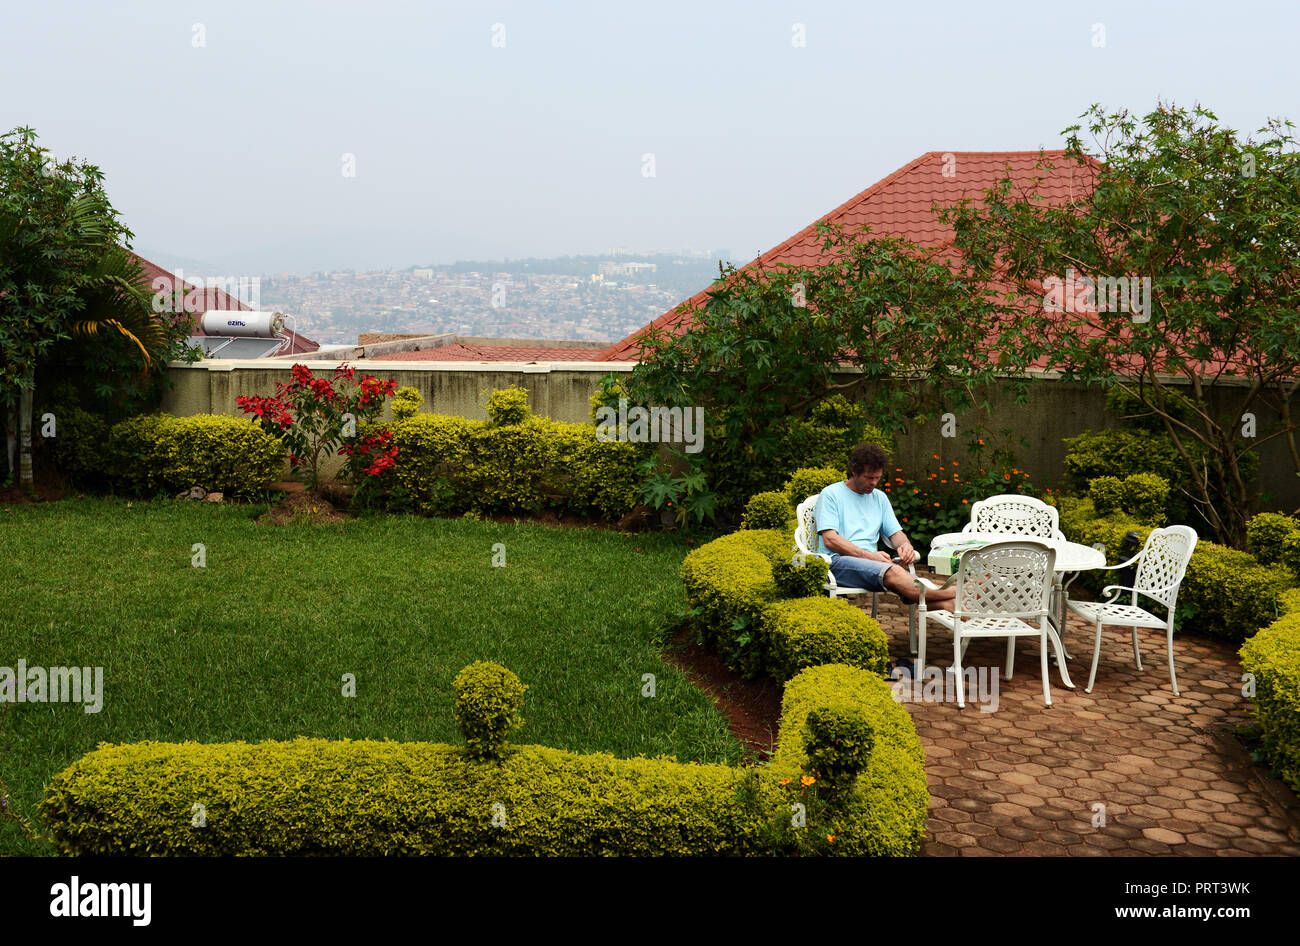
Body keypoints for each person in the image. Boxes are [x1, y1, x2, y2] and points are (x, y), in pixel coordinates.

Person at [814, 443, 956, 612]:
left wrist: (905, 546)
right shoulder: (831, 494)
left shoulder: (879, 498)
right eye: (868, 477)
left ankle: (948, 603)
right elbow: (830, 540)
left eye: (877, 478)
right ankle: (955, 592)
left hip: (872, 566)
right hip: (836, 562)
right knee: (895, 573)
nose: (873, 483)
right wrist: (869, 556)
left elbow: (896, 534)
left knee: (899, 577)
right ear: (854, 471)